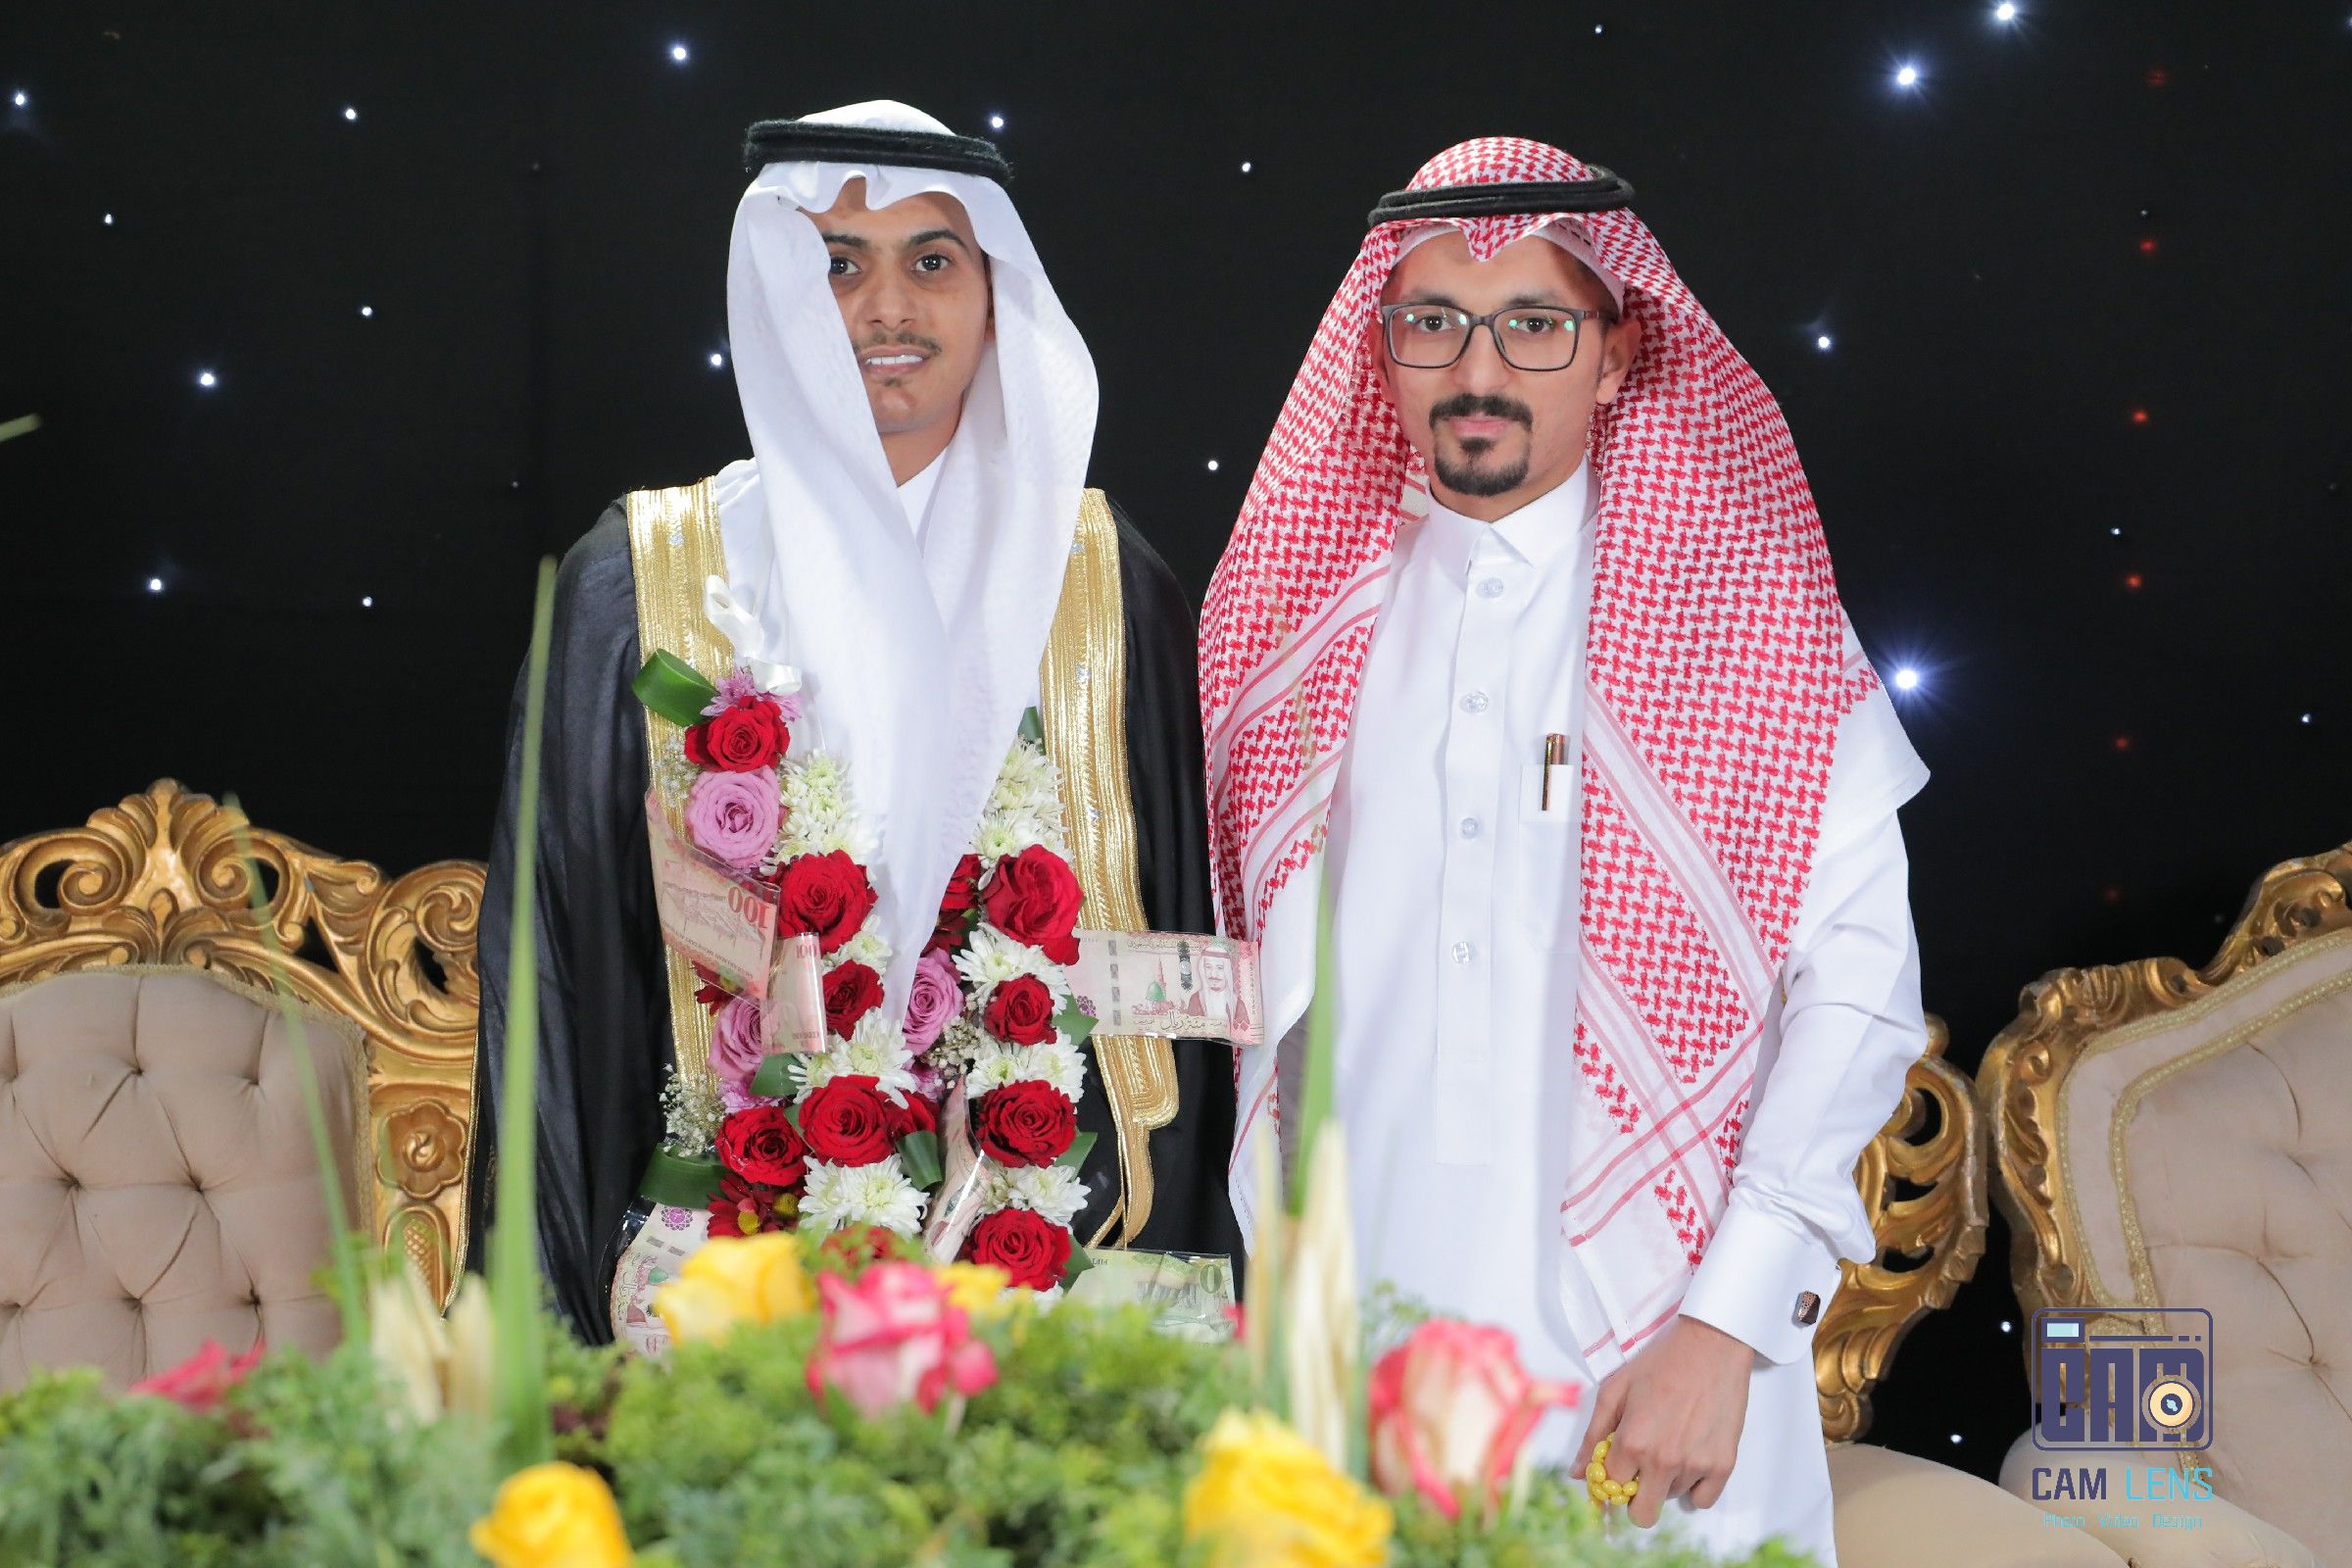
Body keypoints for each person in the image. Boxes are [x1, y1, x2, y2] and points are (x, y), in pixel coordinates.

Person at [1199, 137, 1930, 1562]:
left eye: (1534, 323)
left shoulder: (1750, 620)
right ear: (1382, 347)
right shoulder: (1282, 628)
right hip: (1345, 1370)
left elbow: (1859, 998)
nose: (1479, 370)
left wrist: (1727, 1327)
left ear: (1616, 349)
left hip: (1650, 1374)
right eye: (1433, 322)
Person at [468, 100, 1238, 1342]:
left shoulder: (1099, 584)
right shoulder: (647, 580)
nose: (888, 308)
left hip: (1047, 1272)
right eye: (838, 264)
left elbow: (1182, 982)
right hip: (715, 1282)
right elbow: (557, 978)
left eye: (932, 262)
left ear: (993, 299)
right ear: (779, 291)